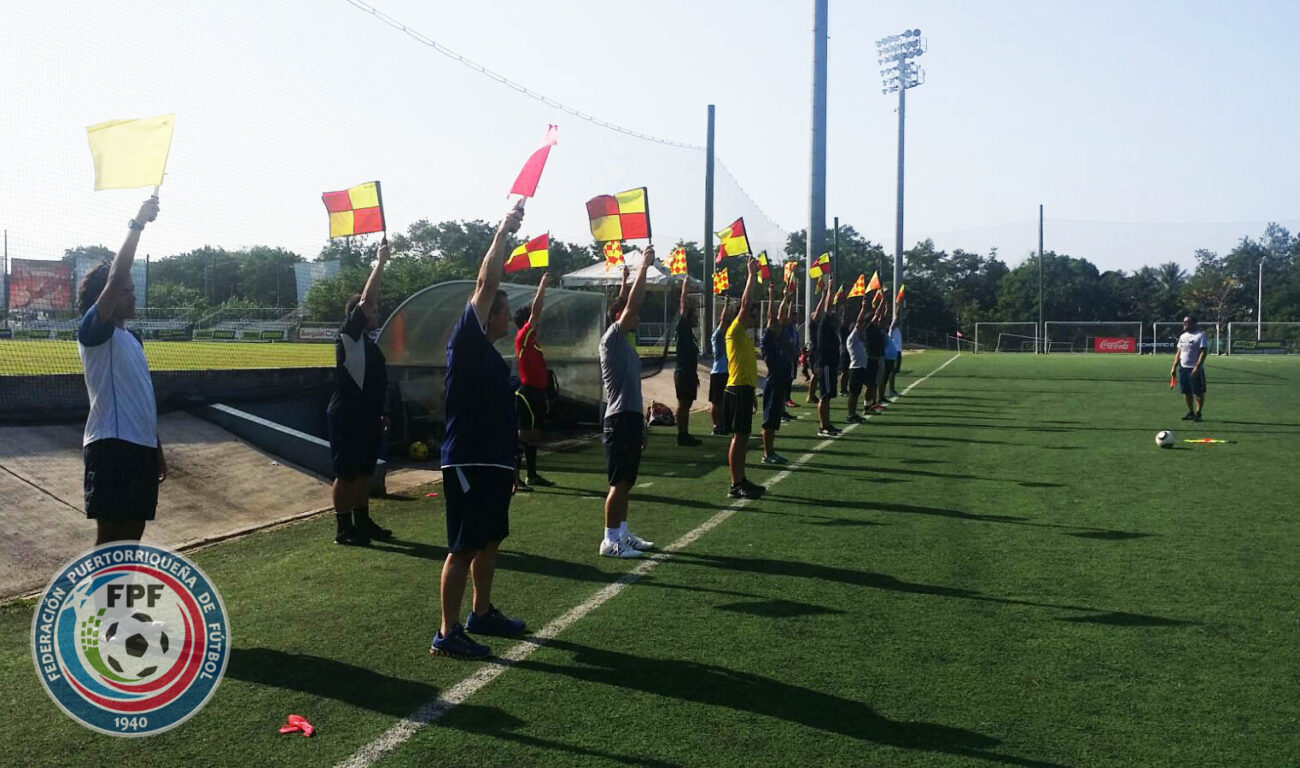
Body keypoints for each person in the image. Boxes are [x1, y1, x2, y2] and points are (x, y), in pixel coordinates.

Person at [431, 203, 528, 659]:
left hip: (494, 461)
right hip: (468, 459)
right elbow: (486, 283)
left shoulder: (491, 356)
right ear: (487, 315)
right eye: (503, 313)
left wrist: (511, 462)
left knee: (490, 539)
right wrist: (504, 229)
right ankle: (447, 632)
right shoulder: (467, 340)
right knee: (465, 546)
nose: (508, 319)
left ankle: (481, 613)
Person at [76, 197, 165, 546]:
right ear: (107, 296)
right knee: (112, 541)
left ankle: (123, 589)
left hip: (140, 447)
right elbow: (114, 279)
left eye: (131, 291)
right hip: (112, 447)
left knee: (133, 538)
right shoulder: (95, 332)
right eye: (126, 292)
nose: (132, 297)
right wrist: (138, 223)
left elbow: (140, 399)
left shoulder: (132, 339)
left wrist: (156, 447)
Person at [326, 238, 392, 546]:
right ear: (359, 315)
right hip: (348, 415)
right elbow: (367, 300)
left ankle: (362, 521)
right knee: (347, 473)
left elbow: (377, 382)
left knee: (365, 471)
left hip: (367, 416)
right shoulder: (349, 336)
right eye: (374, 311)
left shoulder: (368, 344)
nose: (377, 314)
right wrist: (380, 263)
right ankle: (344, 528)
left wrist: (381, 413)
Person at [598, 246, 659, 558]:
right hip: (619, 419)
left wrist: (642, 425)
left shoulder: (626, 344)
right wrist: (643, 267)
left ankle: (622, 532)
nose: (637, 317)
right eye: (629, 315)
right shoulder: (611, 339)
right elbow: (631, 304)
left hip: (631, 418)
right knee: (619, 483)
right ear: (618, 317)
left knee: (627, 482)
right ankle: (610, 541)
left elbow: (627, 303)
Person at [724, 258, 766, 498]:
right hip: (737, 388)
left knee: (742, 438)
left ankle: (741, 479)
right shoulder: (735, 331)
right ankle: (736, 483)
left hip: (744, 389)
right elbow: (745, 303)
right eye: (751, 313)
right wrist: (751, 275)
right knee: (739, 438)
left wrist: (752, 393)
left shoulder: (744, 336)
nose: (753, 316)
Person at [513, 272, 555, 492]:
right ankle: (515, 478)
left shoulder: (534, 342)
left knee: (534, 436)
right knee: (524, 435)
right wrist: (542, 285)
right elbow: (536, 311)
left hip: (537, 393)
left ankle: (531, 475)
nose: (537, 323)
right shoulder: (523, 337)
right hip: (527, 393)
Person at [758, 278, 793, 464]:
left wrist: (785, 297)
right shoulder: (768, 340)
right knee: (770, 420)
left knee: (774, 419)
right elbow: (772, 316)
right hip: (773, 382)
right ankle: (767, 453)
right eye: (777, 324)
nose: (780, 324)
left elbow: (781, 316)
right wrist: (772, 296)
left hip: (780, 381)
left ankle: (770, 451)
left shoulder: (778, 337)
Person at [671, 275, 703, 447]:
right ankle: (681, 434)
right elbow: (683, 306)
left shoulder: (690, 335)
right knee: (683, 404)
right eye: (695, 316)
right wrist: (685, 287)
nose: (697, 319)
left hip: (689, 373)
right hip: (683, 373)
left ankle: (685, 433)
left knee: (687, 404)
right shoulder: (683, 328)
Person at [812, 280, 841, 436]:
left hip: (830, 365)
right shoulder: (825, 325)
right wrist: (830, 289)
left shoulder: (832, 331)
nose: (837, 318)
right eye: (835, 316)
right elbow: (827, 307)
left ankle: (827, 424)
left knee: (828, 396)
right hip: (825, 365)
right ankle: (823, 427)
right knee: (824, 396)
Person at [1171, 315, 1207, 422]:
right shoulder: (1183, 336)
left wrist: (1197, 366)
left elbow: (1203, 351)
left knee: (1198, 392)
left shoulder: (1200, 335)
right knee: (1186, 391)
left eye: (1187, 322)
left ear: (1194, 323)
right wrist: (1174, 367)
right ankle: (1191, 412)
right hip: (1183, 368)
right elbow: (1179, 352)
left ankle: (1198, 413)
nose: (1185, 324)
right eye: (1184, 322)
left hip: (1194, 368)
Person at [843, 295, 870, 423]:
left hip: (861, 368)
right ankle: (850, 415)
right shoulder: (852, 339)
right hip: (855, 369)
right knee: (853, 393)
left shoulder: (859, 340)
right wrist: (863, 308)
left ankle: (855, 412)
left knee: (857, 392)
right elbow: (859, 323)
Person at [708, 297, 733, 435]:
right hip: (718, 373)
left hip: (726, 373)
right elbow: (723, 319)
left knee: (723, 401)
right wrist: (726, 304)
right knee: (716, 402)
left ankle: (723, 424)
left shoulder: (726, 339)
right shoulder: (717, 336)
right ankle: (716, 425)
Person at [863, 296, 889, 412]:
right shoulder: (868, 328)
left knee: (874, 384)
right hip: (870, 358)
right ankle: (867, 405)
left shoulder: (876, 329)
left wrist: (884, 306)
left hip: (876, 358)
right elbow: (878, 315)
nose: (878, 320)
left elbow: (881, 316)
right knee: (870, 384)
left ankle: (872, 403)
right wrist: (882, 301)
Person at [884, 307, 903, 398]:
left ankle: (891, 389)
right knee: (892, 371)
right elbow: (897, 317)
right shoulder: (892, 327)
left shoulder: (894, 328)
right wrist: (898, 305)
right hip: (895, 351)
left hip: (896, 351)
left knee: (893, 371)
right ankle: (891, 390)